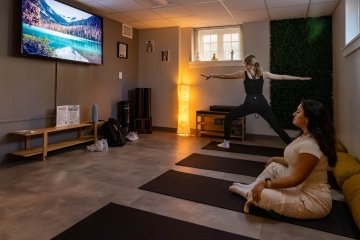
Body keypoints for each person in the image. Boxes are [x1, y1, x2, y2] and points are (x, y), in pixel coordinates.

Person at [229, 99, 337, 219]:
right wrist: (275, 158)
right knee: (274, 165)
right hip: (300, 186)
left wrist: (265, 183)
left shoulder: (311, 145)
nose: (294, 114)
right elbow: (296, 161)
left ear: (309, 118)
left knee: (264, 194)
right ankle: (252, 187)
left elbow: (296, 179)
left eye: (298, 112)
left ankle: (249, 192)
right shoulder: (305, 135)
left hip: (313, 200)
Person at [201, 54, 311, 147]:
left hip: (249, 104)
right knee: (276, 126)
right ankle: (292, 146)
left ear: (248, 65)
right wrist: (299, 78)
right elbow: (282, 77)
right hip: (262, 103)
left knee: (229, 117)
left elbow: (226, 76)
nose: (244, 66)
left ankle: (226, 142)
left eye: (244, 64)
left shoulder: (243, 74)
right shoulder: (263, 74)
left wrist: (211, 75)